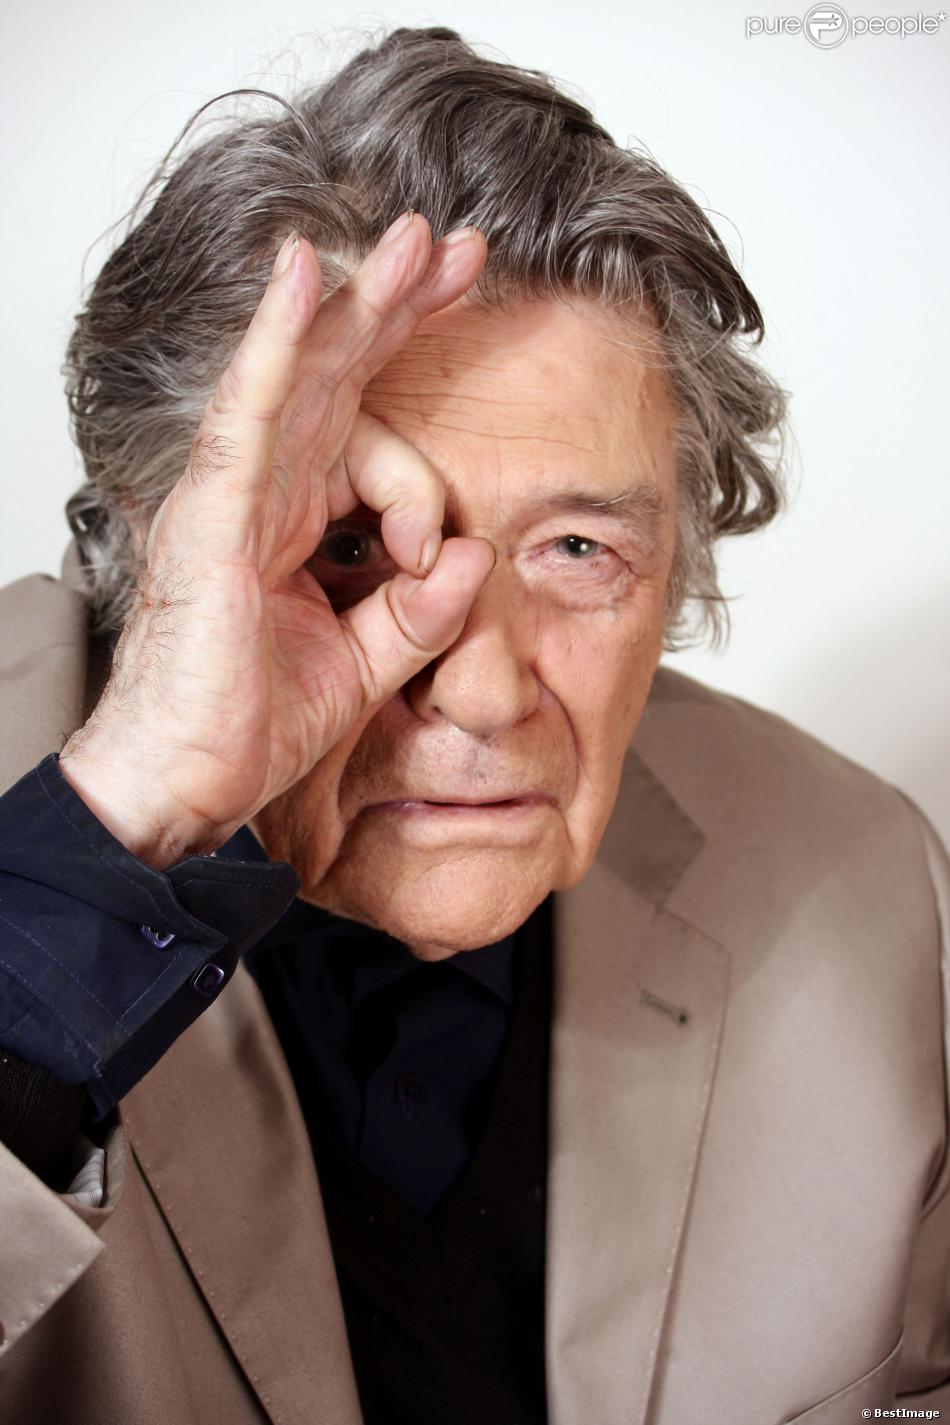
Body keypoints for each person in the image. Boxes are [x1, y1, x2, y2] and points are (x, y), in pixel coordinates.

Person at [0, 24, 948, 1425]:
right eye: (348, 543)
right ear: (158, 545)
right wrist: (124, 823)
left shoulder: (863, 882)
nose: (486, 689)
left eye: (577, 550)